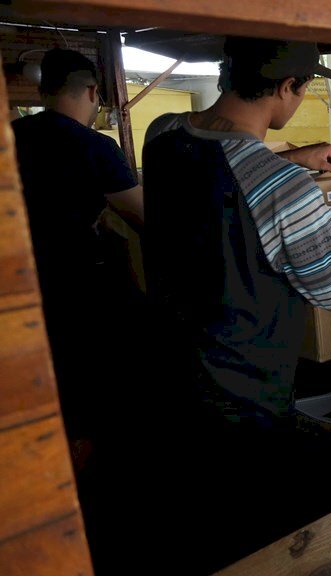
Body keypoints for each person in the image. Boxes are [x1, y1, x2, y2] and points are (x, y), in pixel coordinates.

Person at [140, 37, 331, 573]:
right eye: (304, 88)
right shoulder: (286, 190)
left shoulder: (162, 137)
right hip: (245, 390)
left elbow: (221, 154)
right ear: (288, 87)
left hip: (171, 367)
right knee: (249, 528)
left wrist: (291, 158)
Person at [11, 48, 144, 445]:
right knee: (93, 392)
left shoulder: (12, 137)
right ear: (90, 92)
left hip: (21, 286)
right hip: (80, 287)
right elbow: (145, 219)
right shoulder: (95, 147)